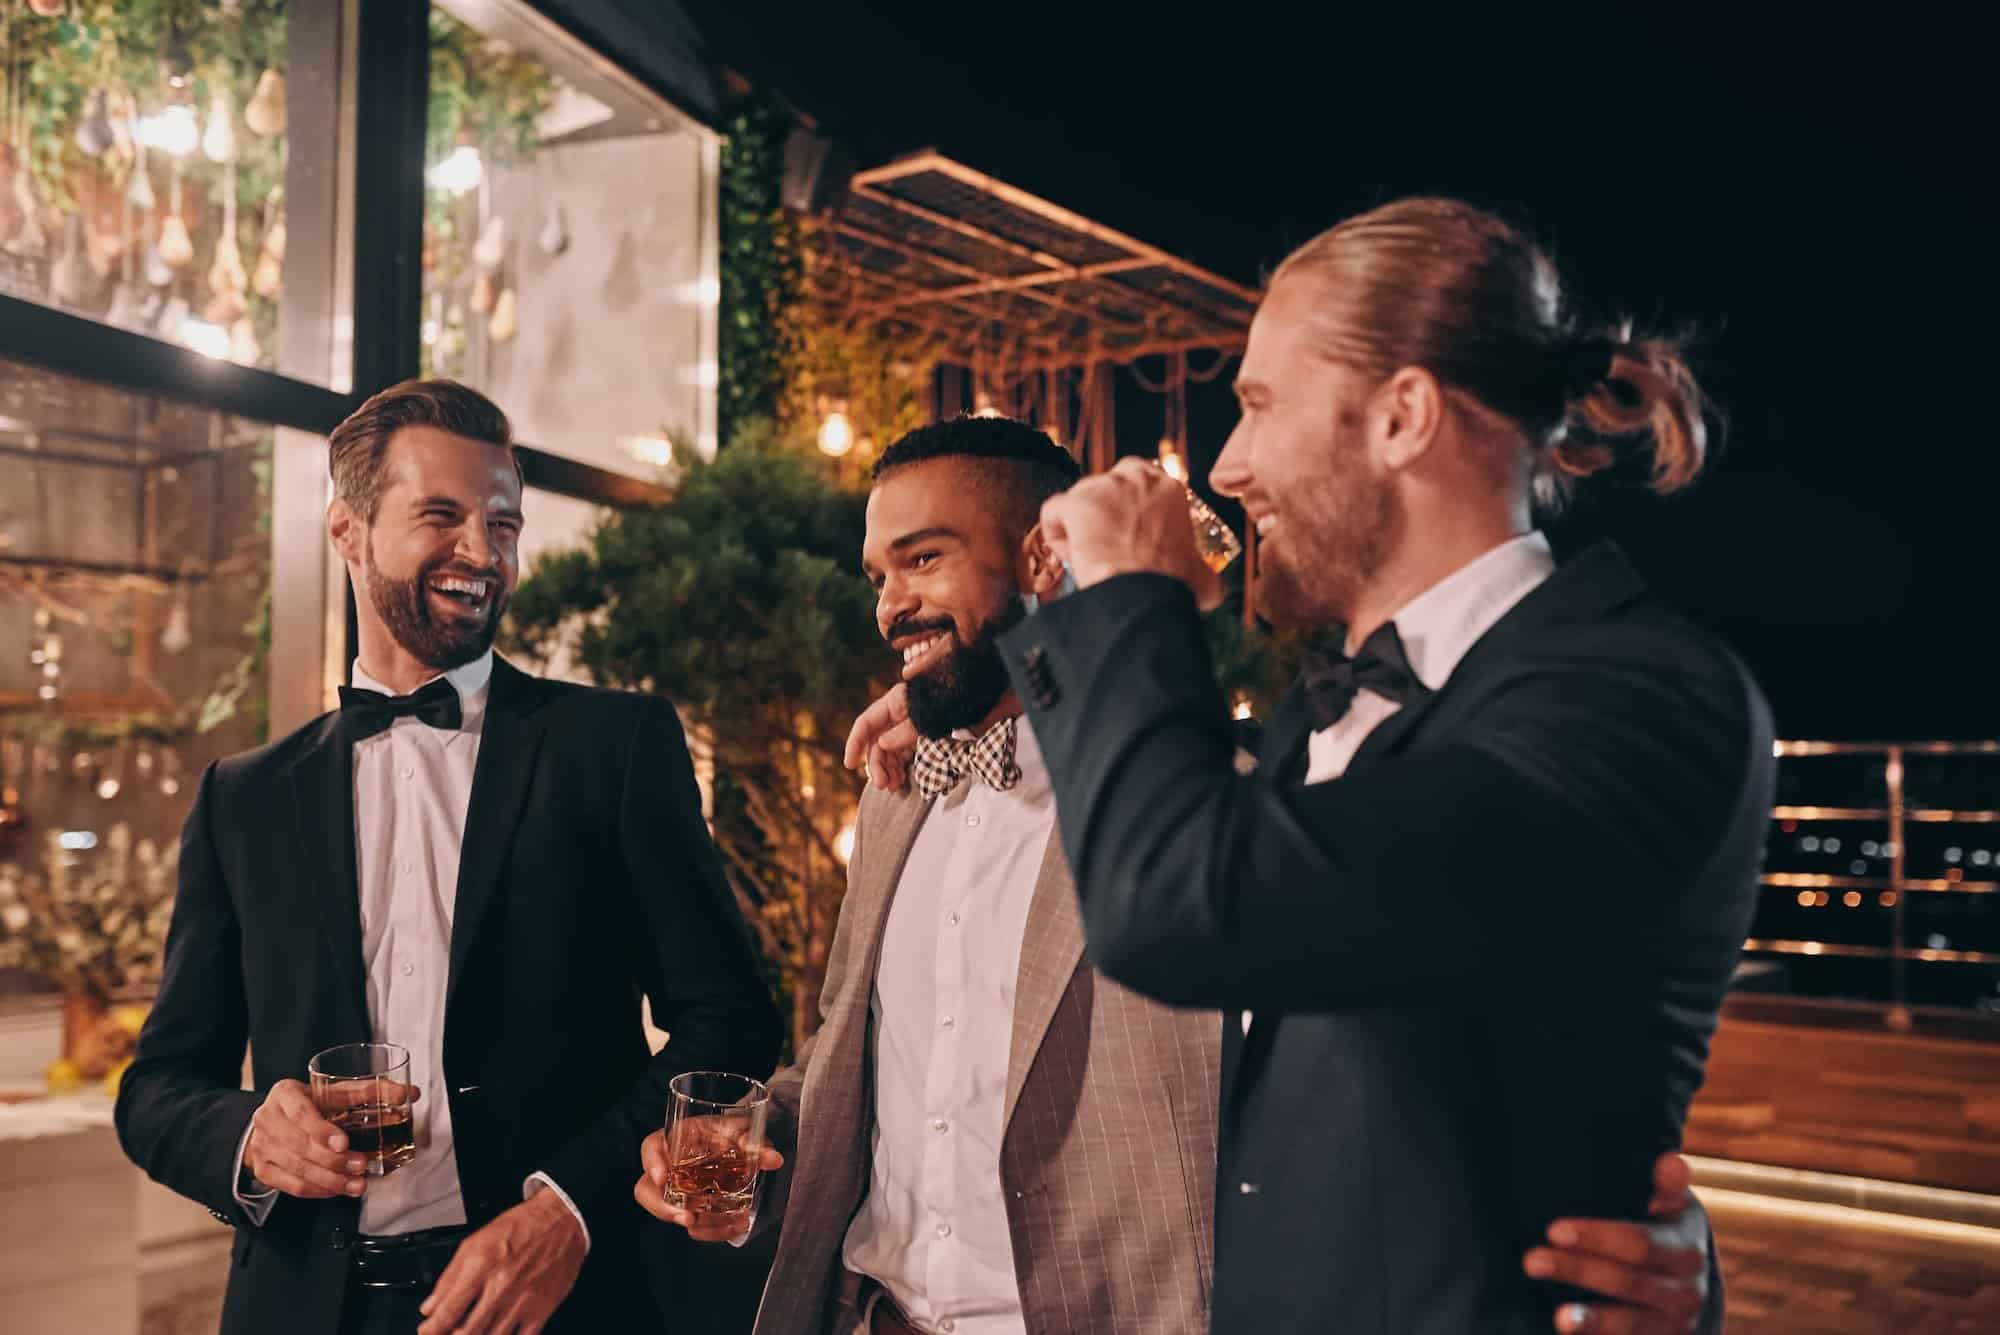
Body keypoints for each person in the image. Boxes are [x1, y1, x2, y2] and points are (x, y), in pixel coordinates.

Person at [652, 415, 1723, 1335]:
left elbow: (1407, 1089)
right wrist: (759, 1138)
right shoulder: (891, 800)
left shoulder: (1220, 805)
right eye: (879, 576)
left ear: (1041, 558)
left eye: (922, 561)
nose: (888, 607)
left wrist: (1647, 1241)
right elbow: (858, 1057)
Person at [979, 196, 1773, 1334]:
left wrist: (1132, 600)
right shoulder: (1323, 705)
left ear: (1401, 416)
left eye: (1255, 404)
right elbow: (1172, 821)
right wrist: (976, 715)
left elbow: (1176, 902)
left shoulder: (1636, 692)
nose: (1228, 463)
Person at [116, 378, 782, 1335]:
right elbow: (157, 1089)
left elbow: (730, 1015)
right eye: (443, 515)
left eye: (502, 524)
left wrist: (568, 1208)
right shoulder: (243, 796)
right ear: (347, 530)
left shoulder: (613, 747)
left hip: (561, 1301)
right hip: (304, 1308)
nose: (482, 552)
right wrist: (250, 1132)